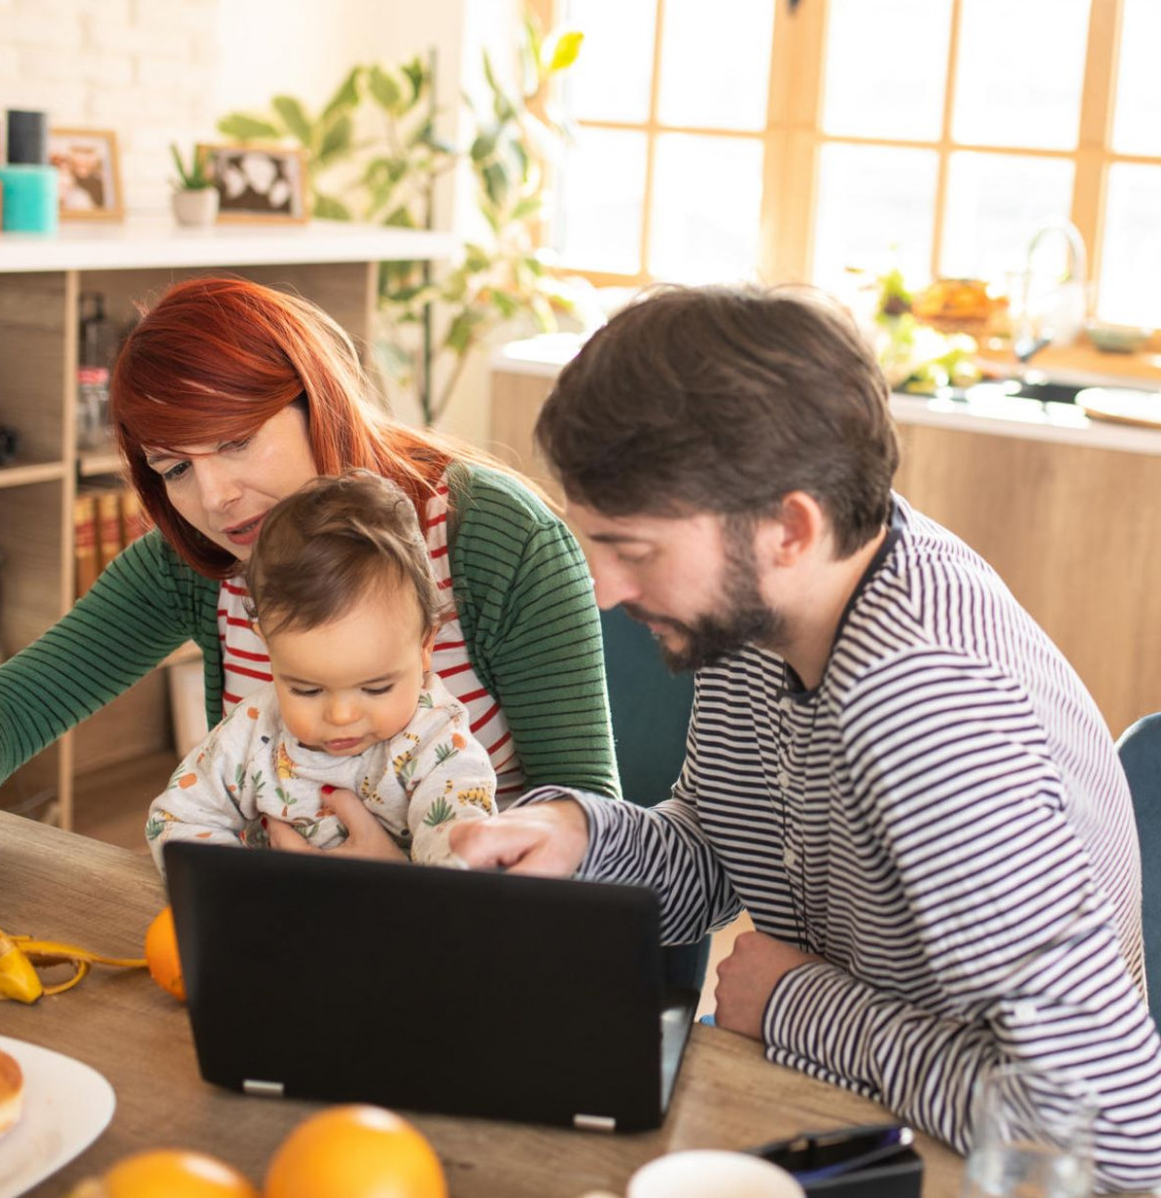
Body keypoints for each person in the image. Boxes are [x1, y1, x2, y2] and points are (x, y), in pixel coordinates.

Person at [451, 284, 1161, 1190]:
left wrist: (796, 1002)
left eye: (634, 550)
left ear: (789, 527)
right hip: (848, 1118)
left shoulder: (928, 710)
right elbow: (721, 861)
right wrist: (578, 837)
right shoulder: (760, 619)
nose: (602, 590)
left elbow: (1112, 1132)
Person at [0, 276, 617, 976]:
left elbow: (589, 825)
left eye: (236, 440)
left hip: (473, 953)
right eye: (174, 467)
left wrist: (403, 882)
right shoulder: (198, 560)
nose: (214, 498)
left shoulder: (492, 537)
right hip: (279, 940)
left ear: (316, 399)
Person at [146, 470, 496, 869]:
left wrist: (399, 889)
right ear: (267, 645)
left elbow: (462, 861)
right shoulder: (254, 729)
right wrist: (247, 888)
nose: (341, 716)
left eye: (376, 688)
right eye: (307, 690)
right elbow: (176, 821)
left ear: (425, 647)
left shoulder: (439, 744)